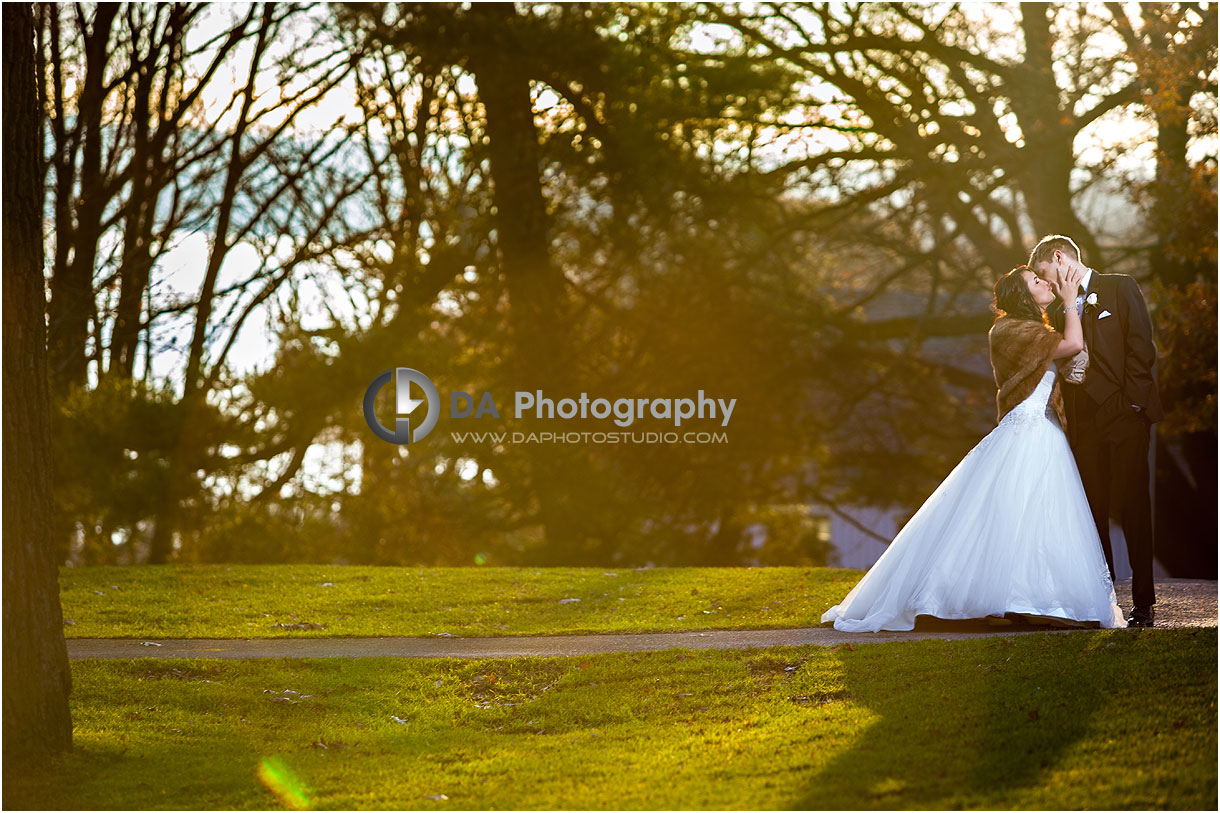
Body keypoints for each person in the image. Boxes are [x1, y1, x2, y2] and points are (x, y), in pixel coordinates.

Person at [820, 265, 1125, 632]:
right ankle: (999, 599)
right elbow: (1072, 344)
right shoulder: (1010, 330)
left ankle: (1028, 598)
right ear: (1021, 295)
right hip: (1024, 432)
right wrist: (1071, 301)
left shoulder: (1035, 330)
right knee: (1009, 513)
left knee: (1038, 516)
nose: (1044, 283)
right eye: (1036, 282)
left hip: (1046, 431)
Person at [1028, 235, 1163, 628]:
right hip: (1084, 423)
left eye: (1044, 275)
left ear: (1058, 257)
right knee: (1092, 512)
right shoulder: (1057, 311)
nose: (1047, 285)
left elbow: (1142, 347)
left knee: (1135, 505)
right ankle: (1103, 602)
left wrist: (1133, 405)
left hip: (1126, 416)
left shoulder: (1119, 287)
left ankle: (1144, 601)